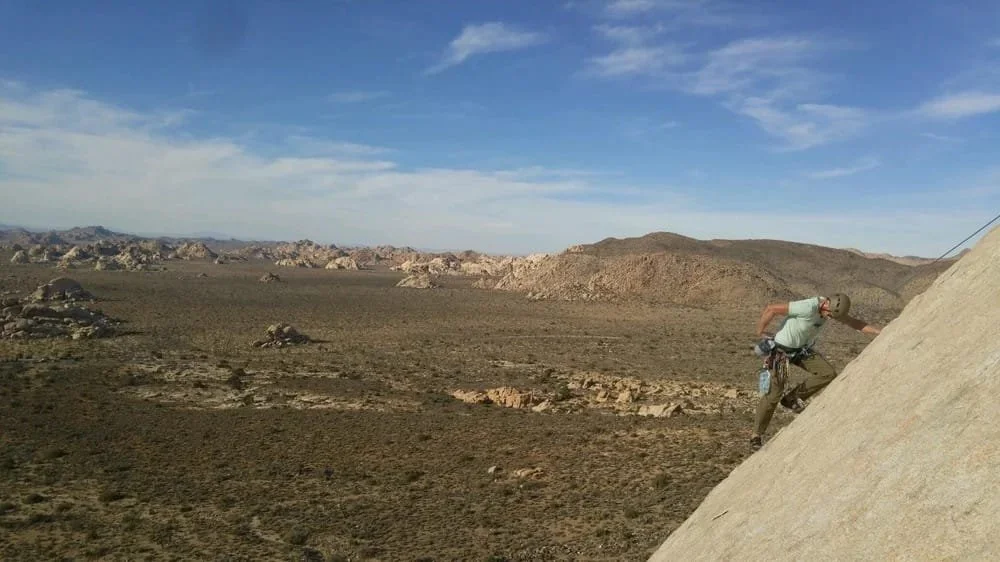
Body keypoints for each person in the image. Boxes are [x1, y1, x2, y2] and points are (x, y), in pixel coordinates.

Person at [750, 293, 881, 451]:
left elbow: (854, 323)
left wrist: (879, 331)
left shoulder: (830, 310)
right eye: (830, 315)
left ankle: (792, 398)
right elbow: (772, 308)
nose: (830, 318)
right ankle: (756, 435)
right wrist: (760, 331)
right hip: (781, 352)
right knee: (774, 394)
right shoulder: (807, 307)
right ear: (826, 305)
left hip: (800, 351)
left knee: (828, 373)